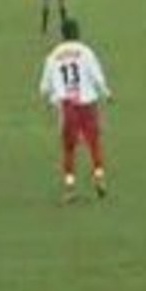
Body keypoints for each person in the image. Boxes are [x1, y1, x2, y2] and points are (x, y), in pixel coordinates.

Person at [38, 18, 113, 203]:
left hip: (67, 105)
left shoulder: (53, 55)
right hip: (87, 102)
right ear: (78, 33)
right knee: (93, 142)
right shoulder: (85, 52)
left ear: (62, 34)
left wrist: (49, 98)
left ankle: (70, 187)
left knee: (69, 148)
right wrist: (106, 93)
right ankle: (99, 176)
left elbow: (44, 87)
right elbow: (96, 75)